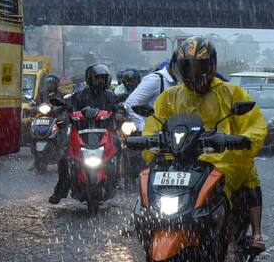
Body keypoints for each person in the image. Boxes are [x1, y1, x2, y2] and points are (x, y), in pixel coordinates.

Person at [143, 37, 268, 252]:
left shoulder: (230, 92)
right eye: (187, 67)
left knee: (248, 175)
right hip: (180, 157)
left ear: (211, 67)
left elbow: (254, 123)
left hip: (222, 155)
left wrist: (244, 139)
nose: (193, 73)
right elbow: (154, 124)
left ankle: (248, 234)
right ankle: (146, 220)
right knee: (150, 179)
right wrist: (148, 141)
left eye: (198, 67)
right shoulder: (170, 96)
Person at [49, 64, 118, 204]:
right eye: (98, 78)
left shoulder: (110, 96)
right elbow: (68, 107)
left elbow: (119, 108)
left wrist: (121, 113)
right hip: (82, 133)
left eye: (103, 79)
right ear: (90, 79)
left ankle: (118, 180)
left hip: (104, 134)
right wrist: (63, 114)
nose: (101, 82)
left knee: (120, 148)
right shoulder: (80, 95)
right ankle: (61, 190)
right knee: (64, 158)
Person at [125, 53, 178, 132]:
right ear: (174, 66)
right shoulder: (156, 79)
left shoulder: (182, 82)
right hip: (156, 136)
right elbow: (131, 103)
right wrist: (143, 128)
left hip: (177, 132)